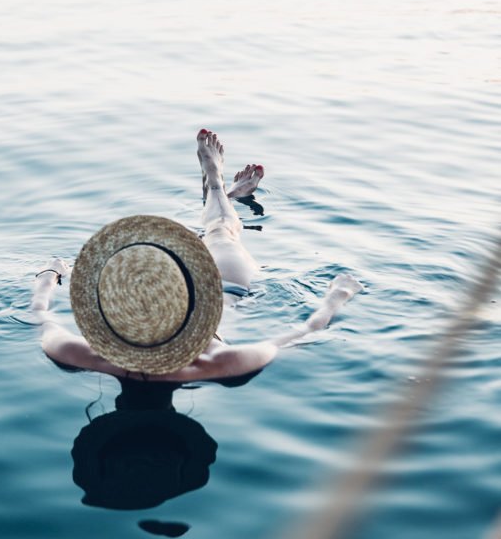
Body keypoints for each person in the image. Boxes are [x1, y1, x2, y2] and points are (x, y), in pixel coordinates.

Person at [30, 129, 362, 383]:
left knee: (215, 231)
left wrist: (49, 277)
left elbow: (41, 316)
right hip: (227, 291)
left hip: (216, 291)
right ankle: (219, 189)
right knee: (219, 231)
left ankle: (219, 188)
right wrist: (336, 297)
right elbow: (303, 330)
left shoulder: (78, 354)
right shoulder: (220, 361)